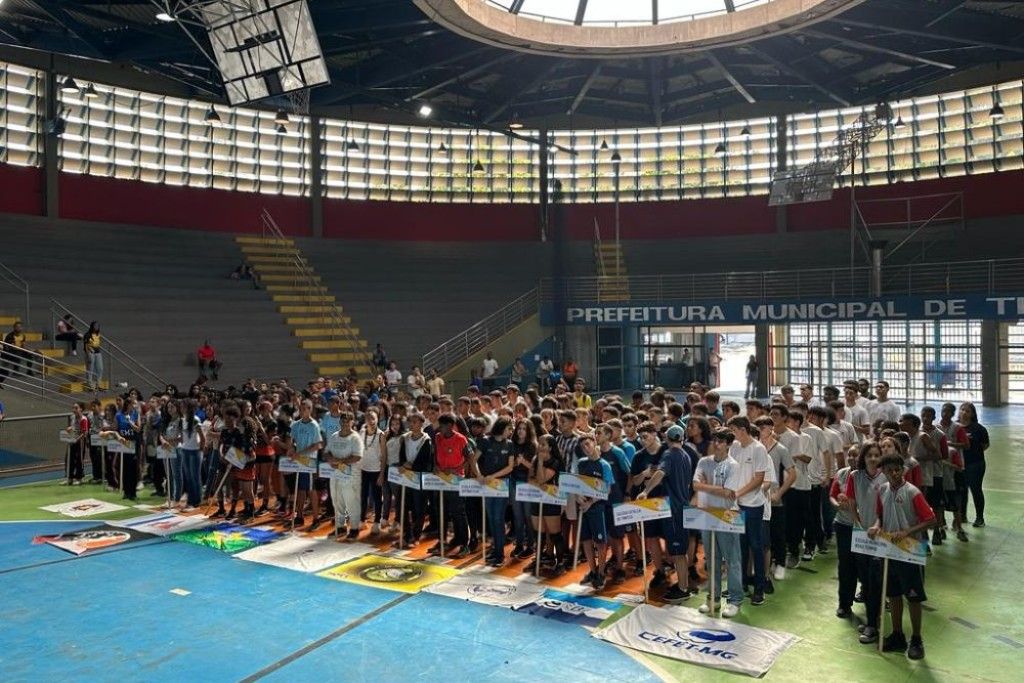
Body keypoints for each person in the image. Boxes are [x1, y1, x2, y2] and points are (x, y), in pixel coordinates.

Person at [867, 452, 936, 660]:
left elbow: (931, 519)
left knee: (914, 597)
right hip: (889, 550)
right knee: (894, 595)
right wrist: (876, 526)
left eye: (898, 469)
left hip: (910, 550)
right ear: (884, 472)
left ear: (902, 469)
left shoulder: (912, 492)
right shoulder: (882, 490)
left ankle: (917, 639)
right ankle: (898, 636)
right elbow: (880, 516)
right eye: (889, 470)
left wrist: (907, 531)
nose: (894, 473)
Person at [638, 424, 694, 603]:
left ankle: (683, 588)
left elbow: (660, 473)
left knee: (678, 553)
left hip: (674, 510)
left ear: (668, 439)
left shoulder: (669, 455)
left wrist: (645, 491)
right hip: (682, 507)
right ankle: (682, 585)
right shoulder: (686, 456)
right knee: (680, 552)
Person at [691, 427, 744, 616]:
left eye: (721, 441)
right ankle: (713, 599)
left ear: (729, 444)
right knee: (712, 559)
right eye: (715, 440)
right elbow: (695, 485)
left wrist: (707, 487)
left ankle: (735, 600)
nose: (717, 443)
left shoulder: (733, 465)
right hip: (707, 515)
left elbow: (729, 493)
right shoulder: (704, 461)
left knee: (732, 560)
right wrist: (717, 488)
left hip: (728, 515)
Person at [727, 415, 771, 605]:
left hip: (753, 505)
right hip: (737, 505)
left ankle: (759, 588)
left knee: (756, 546)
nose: (732, 435)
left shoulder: (759, 449)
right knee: (740, 547)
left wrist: (738, 493)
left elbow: (759, 479)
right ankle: (741, 584)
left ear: (742, 430)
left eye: (734, 431)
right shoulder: (735, 447)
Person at [474, 417, 515, 566]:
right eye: (508, 429)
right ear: (501, 428)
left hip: (501, 485)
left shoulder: (510, 444)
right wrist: (478, 475)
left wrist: (493, 476)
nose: (510, 432)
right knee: (491, 518)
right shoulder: (485, 441)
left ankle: (500, 554)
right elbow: (474, 459)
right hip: (486, 485)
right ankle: (495, 550)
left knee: (498, 518)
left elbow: (510, 467)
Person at [575, 435, 614, 590]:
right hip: (583, 508)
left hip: (598, 508)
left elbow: (607, 489)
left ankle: (601, 572)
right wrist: (579, 498)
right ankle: (592, 570)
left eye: (587, 444)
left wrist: (591, 502)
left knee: (600, 542)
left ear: (594, 443)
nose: (585, 448)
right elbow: (577, 484)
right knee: (585, 539)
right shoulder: (581, 463)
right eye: (583, 446)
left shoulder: (604, 465)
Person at [434, 414, 472, 557]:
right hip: (441, 479)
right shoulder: (437, 437)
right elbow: (435, 454)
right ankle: (442, 541)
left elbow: (469, 458)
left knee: (458, 512)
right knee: (441, 510)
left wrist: (456, 469)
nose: (440, 429)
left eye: (442, 426)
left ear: (450, 425)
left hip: (456, 480)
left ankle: (464, 544)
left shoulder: (461, 439)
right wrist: (436, 466)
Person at [324, 411, 363, 539]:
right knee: (336, 500)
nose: (345, 423)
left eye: (348, 421)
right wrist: (331, 460)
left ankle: (355, 528)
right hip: (335, 474)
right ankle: (340, 526)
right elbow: (326, 452)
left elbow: (357, 456)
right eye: (343, 421)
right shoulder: (334, 436)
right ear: (340, 422)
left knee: (351, 501)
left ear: (352, 422)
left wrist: (341, 462)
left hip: (351, 475)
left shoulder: (355, 438)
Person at [958, 401, 989, 528]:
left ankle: (980, 518)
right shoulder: (955, 428)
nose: (964, 412)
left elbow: (985, 445)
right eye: (962, 409)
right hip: (959, 464)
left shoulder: (979, 429)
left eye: (967, 411)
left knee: (976, 490)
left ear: (972, 414)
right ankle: (962, 516)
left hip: (975, 464)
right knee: (961, 490)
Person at [0, 321, 30, 387]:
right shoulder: (10, 335)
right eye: (17, 327)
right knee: (5, 372)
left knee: (29, 354)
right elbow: (7, 347)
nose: (19, 328)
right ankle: (16, 370)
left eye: (20, 327)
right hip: (10, 351)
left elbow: (23, 345)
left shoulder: (23, 336)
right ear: (14, 328)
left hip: (19, 350)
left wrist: (26, 349)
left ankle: (29, 370)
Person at [83, 322, 103, 391]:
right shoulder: (87, 334)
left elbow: (98, 343)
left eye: (98, 326)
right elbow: (86, 345)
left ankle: (98, 384)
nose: (96, 327)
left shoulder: (98, 334)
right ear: (92, 326)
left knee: (100, 368)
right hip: (90, 352)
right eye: (95, 326)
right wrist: (88, 354)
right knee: (90, 369)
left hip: (97, 352)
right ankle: (90, 386)